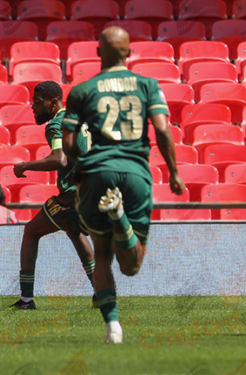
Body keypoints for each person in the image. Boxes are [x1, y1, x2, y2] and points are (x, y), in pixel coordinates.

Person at [61, 27, 185, 344]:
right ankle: (121, 218)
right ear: (129, 52)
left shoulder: (82, 90)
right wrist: (174, 172)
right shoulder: (148, 86)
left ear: (98, 52)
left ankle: (113, 327)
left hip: (97, 172)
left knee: (102, 254)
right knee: (132, 266)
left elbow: (70, 144)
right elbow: (163, 131)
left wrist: (87, 160)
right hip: (135, 172)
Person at [10, 81, 96, 310]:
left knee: (31, 232)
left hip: (73, 196)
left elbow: (59, 159)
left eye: (38, 103)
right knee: (74, 232)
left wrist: (24, 166)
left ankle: (27, 300)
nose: (33, 108)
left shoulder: (56, 125)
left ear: (54, 102)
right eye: (32, 103)